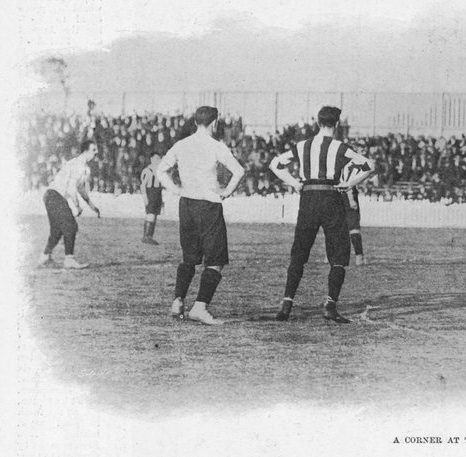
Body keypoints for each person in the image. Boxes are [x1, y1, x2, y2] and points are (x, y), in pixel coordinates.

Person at [270, 106, 375, 322]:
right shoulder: (340, 147)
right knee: (338, 254)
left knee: (299, 251)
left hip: (308, 198)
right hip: (331, 198)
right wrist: (348, 184)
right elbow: (369, 166)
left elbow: (275, 164)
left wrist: (295, 184)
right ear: (336, 124)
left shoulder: (302, 146)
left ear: (318, 123)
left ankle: (286, 305)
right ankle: (330, 305)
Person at [156, 106, 245, 325]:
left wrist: (176, 189)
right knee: (215, 260)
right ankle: (200, 307)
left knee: (189, 256)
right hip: (209, 205)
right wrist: (225, 192)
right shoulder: (216, 146)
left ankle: (178, 301)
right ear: (214, 123)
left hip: (186, 204)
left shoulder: (181, 145)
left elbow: (160, 171)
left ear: (196, 123)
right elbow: (239, 171)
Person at [38, 140, 101, 269]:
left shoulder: (82, 167)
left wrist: (92, 205)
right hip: (55, 196)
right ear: (85, 151)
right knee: (71, 226)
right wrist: (77, 206)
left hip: (50, 196)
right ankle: (69, 259)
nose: (96, 152)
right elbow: (72, 188)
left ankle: (44, 257)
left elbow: (80, 188)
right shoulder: (78, 164)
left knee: (57, 230)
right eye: (93, 150)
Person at [139, 151, 164, 245]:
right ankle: (146, 236)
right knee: (150, 215)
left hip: (157, 194)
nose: (158, 160)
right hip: (151, 194)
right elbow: (142, 185)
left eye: (159, 158)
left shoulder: (160, 171)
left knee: (155, 215)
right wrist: (145, 197)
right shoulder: (147, 170)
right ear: (151, 159)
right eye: (156, 158)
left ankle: (150, 236)